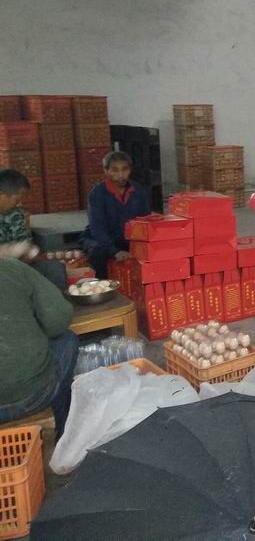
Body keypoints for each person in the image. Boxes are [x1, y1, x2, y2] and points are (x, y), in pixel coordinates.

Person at [0, 258, 79, 435]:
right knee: (67, 340)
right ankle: (63, 432)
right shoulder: (11, 267)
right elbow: (58, 320)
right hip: (32, 396)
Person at [80, 151, 151, 279]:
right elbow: (98, 229)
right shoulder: (97, 193)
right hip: (100, 239)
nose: (120, 175)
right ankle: (103, 284)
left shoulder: (139, 191)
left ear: (130, 170)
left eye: (124, 169)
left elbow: (145, 221)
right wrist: (114, 251)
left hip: (126, 239)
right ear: (106, 171)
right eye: (115, 170)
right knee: (98, 251)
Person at [0, 169, 67, 290]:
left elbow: (24, 242)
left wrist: (28, 253)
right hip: (4, 273)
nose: (19, 204)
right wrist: (11, 251)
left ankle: (59, 302)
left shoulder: (15, 212)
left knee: (55, 269)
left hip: (17, 267)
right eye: (16, 200)